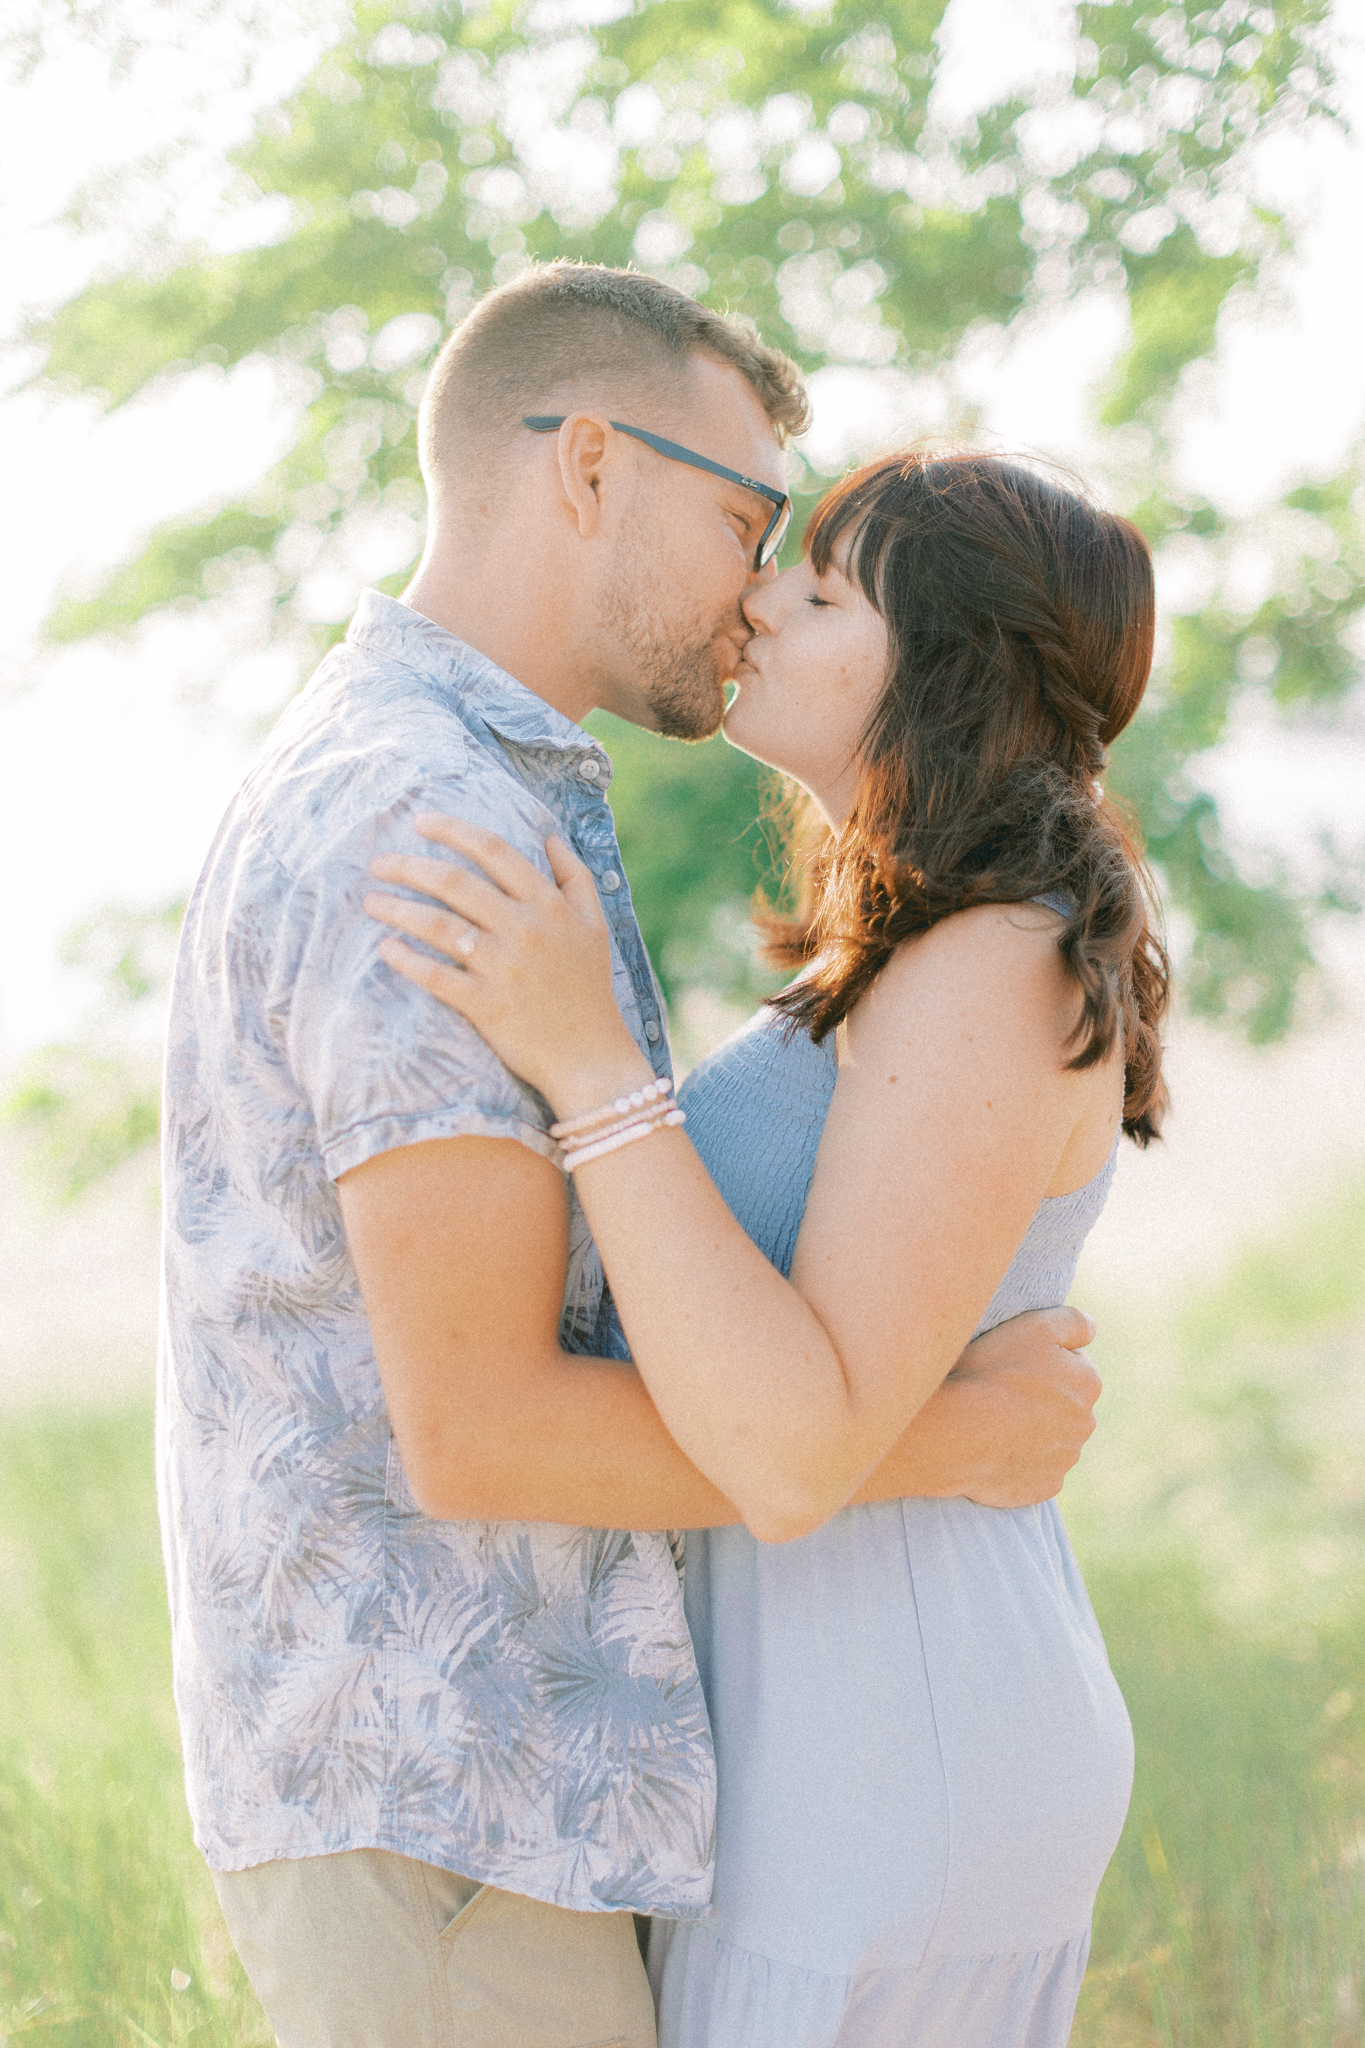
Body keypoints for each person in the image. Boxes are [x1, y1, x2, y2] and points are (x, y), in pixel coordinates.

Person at [158, 260, 1102, 2048]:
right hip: (445, 1796)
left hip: (498, 1801)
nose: (758, 585)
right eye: (747, 514)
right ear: (588, 466)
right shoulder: (426, 818)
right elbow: (482, 1424)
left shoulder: (469, 788)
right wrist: (950, 1437)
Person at [365, 447, 1168, 2048]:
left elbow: (796, 1448)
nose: (758, 599)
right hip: (827, 1722)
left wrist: (589, 1062)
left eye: (823, 587)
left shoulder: (995, 958)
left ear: (945, 662)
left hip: (888, 1740)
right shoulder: (918, 949)